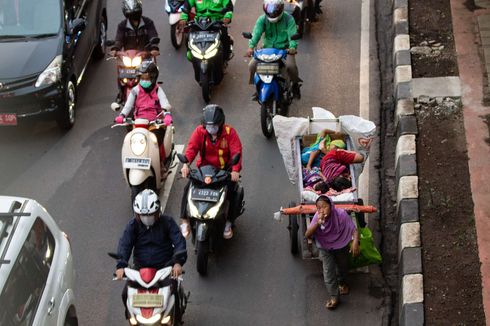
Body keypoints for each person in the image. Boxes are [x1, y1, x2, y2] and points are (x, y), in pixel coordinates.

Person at [114, 189, 187, 318]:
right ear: (137, 214)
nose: (146, 218)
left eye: (150, 215)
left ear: (157, 212)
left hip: (164, 268)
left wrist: (177, 263)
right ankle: (132, 318)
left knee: (173, 291)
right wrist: (121, 265)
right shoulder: (133, 226)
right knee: (125, 293)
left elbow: (179, 241)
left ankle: (176, 317)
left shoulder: (167, 222)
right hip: (140, 270)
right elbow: (124, 245)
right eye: (143, 215)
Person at [180, 104, 243, 239]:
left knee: (232, 193)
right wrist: (186, 164)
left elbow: (236, 152)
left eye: (214, 126)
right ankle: (184, 220)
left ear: (220, 124)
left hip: (223, 172)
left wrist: (235, 171)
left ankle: (228, 222)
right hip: (203, 172)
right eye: (208, 126)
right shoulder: (199, 132)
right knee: (187, 189)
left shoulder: (230, 133)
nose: (211, 129)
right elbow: (191, 148)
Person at [114, 61, 173, 170]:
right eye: (142, 78)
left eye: (147, 78)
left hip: (155, 123)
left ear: (153, 78)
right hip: (139, 123)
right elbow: (128, 105)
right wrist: (122, 115)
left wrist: (167, 115)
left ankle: (160, 162)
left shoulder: (158, 90)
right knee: (131, 141)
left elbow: (164, 103)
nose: (144, 81)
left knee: (156, 142)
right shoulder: (135, 90)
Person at [305, 195, 360, 310]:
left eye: (324, 207)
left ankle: (342, 283)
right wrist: (317, 223)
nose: (322, 210)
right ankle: (334, 296)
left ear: (331, 206)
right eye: (319, 208)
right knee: (328, 271)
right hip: (325, 247)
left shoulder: (341, 214)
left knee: (343, 266)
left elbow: (353, 230)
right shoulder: (317, 217)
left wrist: (355, 242)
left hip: (342, 245)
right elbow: (307, 234)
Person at [246, 0, 302, 99]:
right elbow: (256, 33)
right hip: (267, 50)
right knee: (252, 66)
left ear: (281, 8)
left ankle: (295, 86)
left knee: (291, 67)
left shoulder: (289, 19)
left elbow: (292, 35)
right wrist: (251, 46)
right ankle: (258, 87)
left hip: (285, 50)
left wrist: (292, 47)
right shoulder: (262, 19)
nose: (272, 13)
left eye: (275, 10)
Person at [111, 0, 160, 102]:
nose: (134, 16)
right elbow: (118, 39)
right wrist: (115, 49)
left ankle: (154, 93)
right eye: (131, 14)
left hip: (145, 56)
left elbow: (153, 35)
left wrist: (154, 48)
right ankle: (121, 93)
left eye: (135, 13)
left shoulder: (148, 22)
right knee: (120, 72)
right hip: (128, 58)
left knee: (151, 75)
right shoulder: (122, 25)